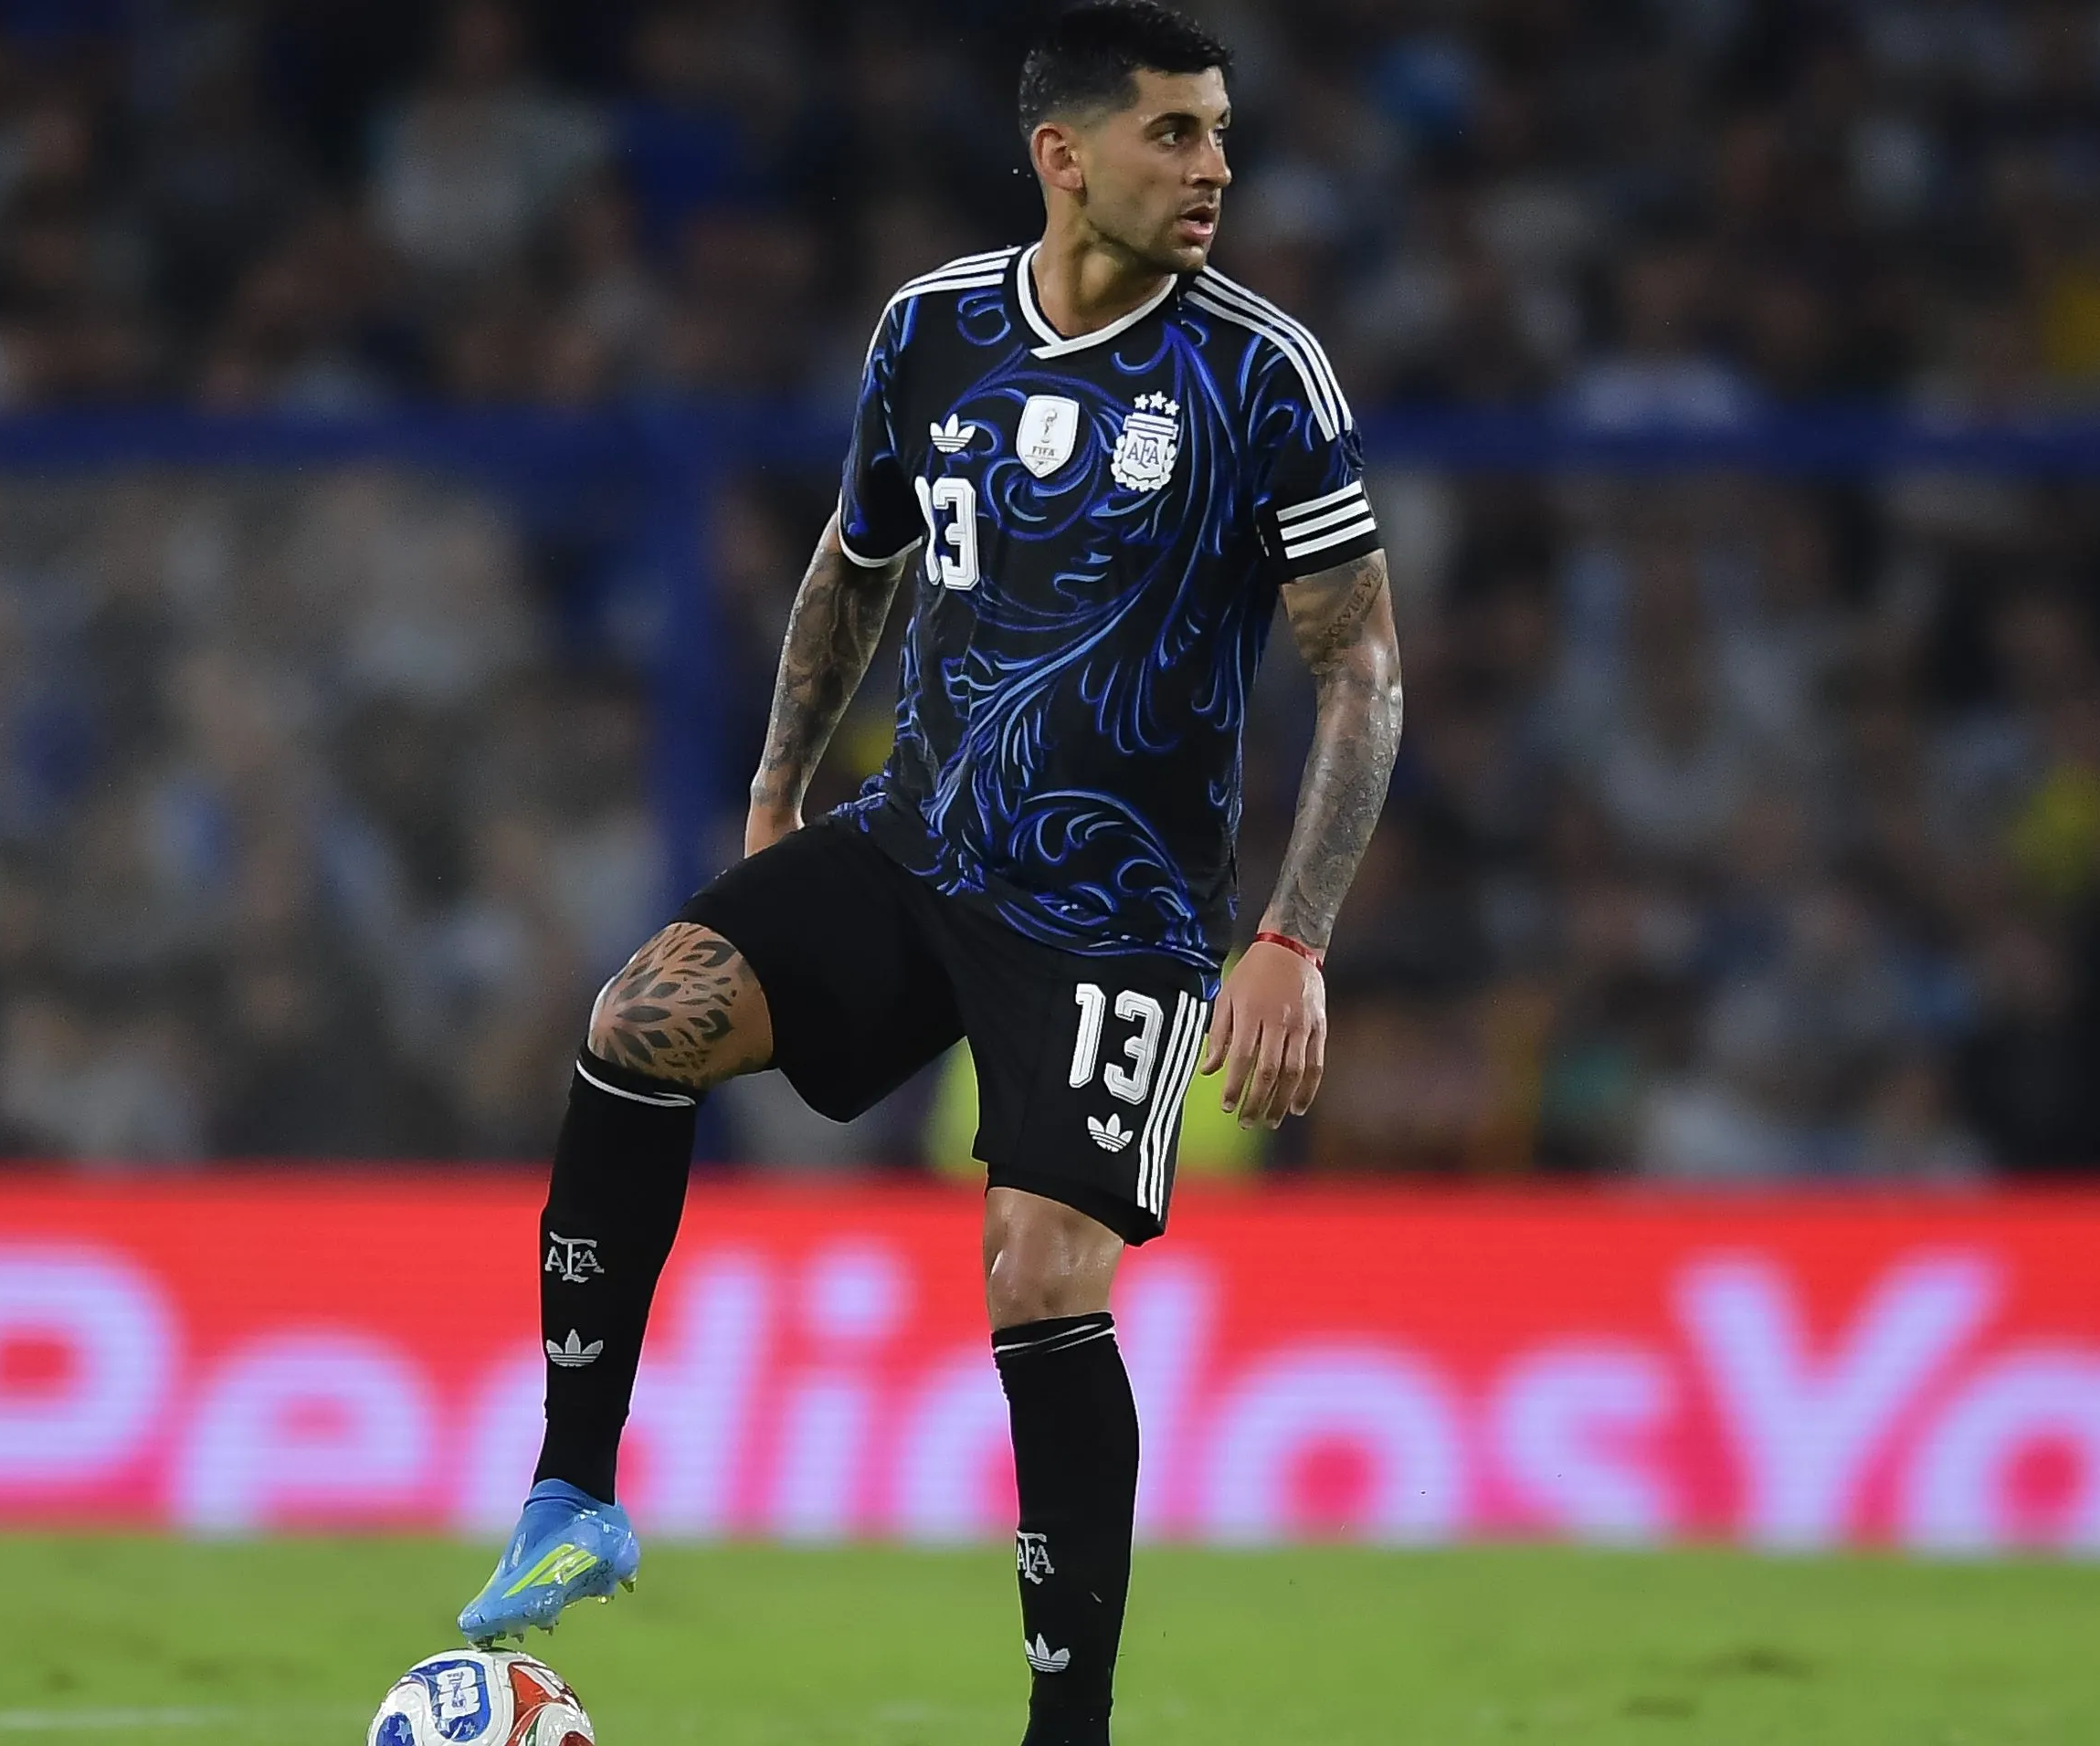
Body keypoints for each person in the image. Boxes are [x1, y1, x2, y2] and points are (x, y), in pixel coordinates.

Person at [453, 7, 1405, 1742]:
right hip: (917, 842)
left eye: (1218, 136)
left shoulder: (1267, 374)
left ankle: (1068, 1728)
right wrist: (776, 788)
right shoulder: (933, 333)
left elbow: (1361, 668)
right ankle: (571, 1489)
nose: (1214, 168)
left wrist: (1294, 935)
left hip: (1116, 921)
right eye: (1175, 135)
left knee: (1043, 1274)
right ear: (1065, 154)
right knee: (639, 1018)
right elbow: (853, 564)